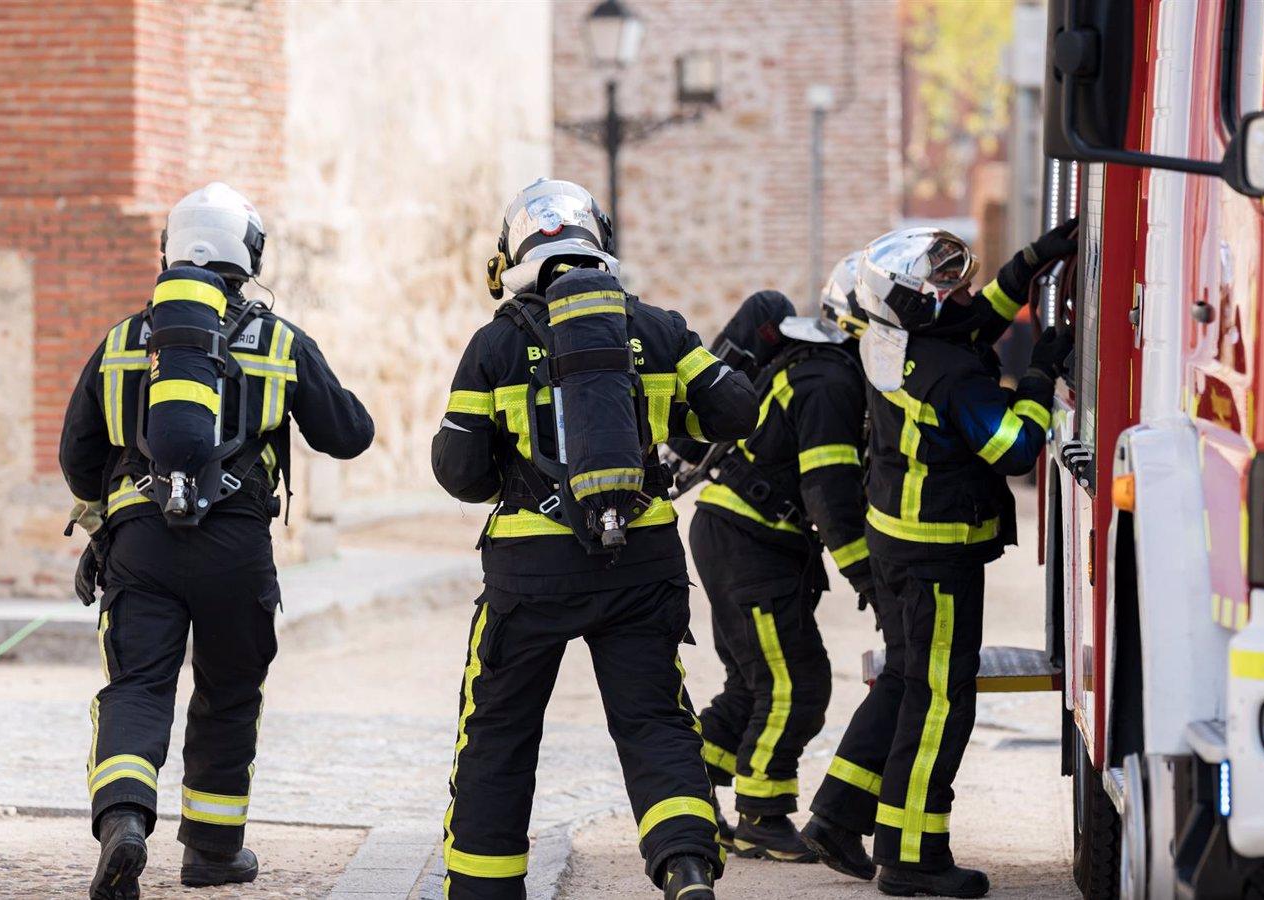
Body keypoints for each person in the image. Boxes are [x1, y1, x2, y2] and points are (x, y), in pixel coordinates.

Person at [431, 178, 759, 900]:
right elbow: (734, 412)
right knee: (654, 722)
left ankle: (483, 889)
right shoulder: (660, 329)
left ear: (515, 253)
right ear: (599, 239)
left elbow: (457, 470)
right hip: (641, 563)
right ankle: (686, 867)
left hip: (529, 572)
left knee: (499, 730)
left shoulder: (493, 346)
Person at [59, 182, 375, 900]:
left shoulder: (118, 344)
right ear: (248, 256)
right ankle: (211, 852)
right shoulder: (278, 342)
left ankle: (124, 823)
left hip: (140, 543)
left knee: (137, 687)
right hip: (236, 548)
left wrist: (100, 522)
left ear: (168, 252)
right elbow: (349, 434)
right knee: (230, 693)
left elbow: (77, 457)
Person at [800, 221, 1076, 898]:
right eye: (949, 285)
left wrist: (1033, 262)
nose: (966, 291)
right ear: (922, 302)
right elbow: (1013, 447)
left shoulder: (894, 342)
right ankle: (912, 854)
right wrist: (1039, 373)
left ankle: (838, 816)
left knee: (905, 682)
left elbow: (978, 318)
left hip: (899, 542)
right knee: (938, 702)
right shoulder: (951, 373)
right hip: (937, 557)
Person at [670, 273, 873, 864]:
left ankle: (690, 791)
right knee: (795, 684)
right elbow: (830, 493)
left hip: (739, 537)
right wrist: (869, 579)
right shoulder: (830, 383)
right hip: (747, 544)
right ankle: (761, 815)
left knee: (753, 684)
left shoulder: (815, 366)